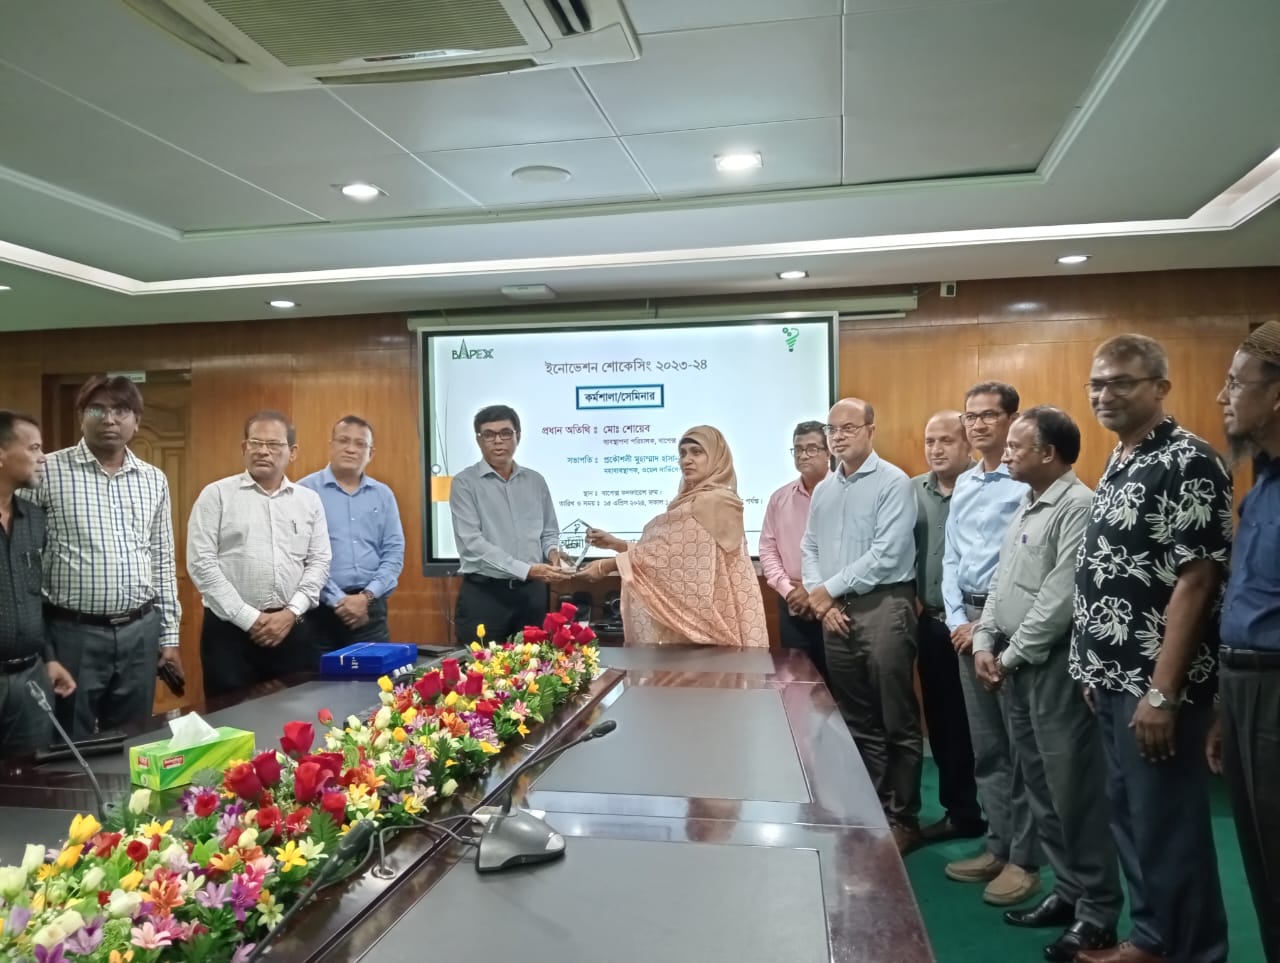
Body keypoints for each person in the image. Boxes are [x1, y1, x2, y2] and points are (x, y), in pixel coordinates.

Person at [1071, 334, 1231, 963]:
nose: (1104, 395)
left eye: (1121, 382)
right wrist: (1095, 667)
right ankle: (1152, 940)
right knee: (1132, 818)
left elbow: (1198, 580)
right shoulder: (1123, 456)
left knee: (1170, 828)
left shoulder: (1188, 460)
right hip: (1113, 678)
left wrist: (1162, 692)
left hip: (1159, 687)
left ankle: (1194, 952)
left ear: (1160, 387)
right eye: (1097, 384)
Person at [973, 407, 1122, 962]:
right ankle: (1069, 891)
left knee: (1073, 792)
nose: (1006, 454)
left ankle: (1098, 912)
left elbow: (1060, 600)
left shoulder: (1078, 506)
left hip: (1052, 666)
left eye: (1017, 446)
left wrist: (1008, 657)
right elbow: (1001, 583)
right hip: (1015, 664)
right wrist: (985, 640)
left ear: (1049, 453)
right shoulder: (1028, 503)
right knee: (1039, 787)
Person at [29, 375, 182, 738]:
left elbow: (162, 559)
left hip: (140, 632)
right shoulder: (47, 471)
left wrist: (169, 636)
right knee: (70, 739)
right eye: (97, 409)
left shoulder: (153, 479)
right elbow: (26, 561)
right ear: (81, 416)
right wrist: (43, 648)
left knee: (135, 737)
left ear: (136, 420)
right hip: (72, 633)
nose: (109, 419)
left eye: (121, 410)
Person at [800, 398, 922, 850]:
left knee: (896, 719)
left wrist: (828, 590)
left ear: (871, 429)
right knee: (855, 719)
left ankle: (903, 817)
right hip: (834, 612)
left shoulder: (894, 483)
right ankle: (867, 811)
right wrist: (823, 599)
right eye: (832, 429)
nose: (838, 436)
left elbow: (887, 554)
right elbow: (809, 548)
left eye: (848, 427)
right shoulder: (825, 490)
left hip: (884, 605)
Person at [941, 381, 1042, 906]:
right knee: (987, 748)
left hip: (1010, 623)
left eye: (989, 415)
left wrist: (983, 625)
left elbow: (1022, 563)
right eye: (971, 415)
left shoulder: (1026, 481)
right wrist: (958, 618)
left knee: (1022, 749)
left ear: (1011, 419)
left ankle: (1026, 859)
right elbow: (951, 558)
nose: (978, 424)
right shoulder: (965, 482)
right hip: (967, 624)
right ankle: (998, 845)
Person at [1208, 319, 1280, 963]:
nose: (1222, 396)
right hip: (1242, 685)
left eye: (1236, 383)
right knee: (1259, 854)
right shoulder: (1261, 485)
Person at [581, 426, 768, 647]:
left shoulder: (712, 501)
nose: (686, 460)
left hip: (713, 616)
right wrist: (618, 544)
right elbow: (680, 554)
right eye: (682, 453)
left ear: (717, 457)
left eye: (697, 452)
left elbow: (669, 558)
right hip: (701, 614)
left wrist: (607, 566)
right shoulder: (695, 500)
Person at [187, 411, 331, 698]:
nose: (263, 451)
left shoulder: (308, 501)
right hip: (229, 634)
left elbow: (319, 561)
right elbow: (201, 564)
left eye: (274, 444)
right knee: (230, 717)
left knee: (294, 715)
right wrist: (249, 618)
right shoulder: (216, 495)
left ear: (292, 452)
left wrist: (291, 613)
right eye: (255, 443)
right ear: (244, 448)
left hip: (292, 628)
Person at [912, 410, 984, 843]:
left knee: (987, 728)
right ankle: (961, 813)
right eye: (930, 441)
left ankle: (1007, 823)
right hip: (933, 624)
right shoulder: (911, 491)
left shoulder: (986, 487)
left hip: (980, 625)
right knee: (942, 723)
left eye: (946, 440)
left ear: (967, 444)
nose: (936, 449)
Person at [450, 404, 566, 645]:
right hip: (485, 595)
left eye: (505, 433)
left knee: (536, 665)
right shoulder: (464, 483)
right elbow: (472, 543)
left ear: (518, 436)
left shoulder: (535, 481)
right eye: (489, 435)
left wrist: (553, 553)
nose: (498, 441)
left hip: (532, 594)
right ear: (479, 440)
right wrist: (527, 569)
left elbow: (549, 531)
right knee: (480, 665)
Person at [0, 412, 74, 757]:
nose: (43, 457)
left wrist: (49, 658)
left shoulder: (34, 519)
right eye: (33, 448)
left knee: (34, 779)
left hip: (31, 679)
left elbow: (34, 598)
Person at [299, 416, 405, 649]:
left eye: (360, 444)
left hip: (371, 611)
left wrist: (366, 597)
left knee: (373, 673)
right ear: (331, 445)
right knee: (318, 673)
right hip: (319, 610)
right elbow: (301, 555)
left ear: (371, 453)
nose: (350, 449)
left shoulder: (383, 495)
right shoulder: (304, 491)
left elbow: (394, 552)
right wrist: (338, 600)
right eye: (343, 441)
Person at [759, 420, 831, 677]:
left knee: (837, 686)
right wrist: (788, 591)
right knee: (798, 684)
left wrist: (813, 590)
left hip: (834, 602)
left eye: (812, 448)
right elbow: (767, 549)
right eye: (798, 449)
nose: (803, 455)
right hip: (792, 605)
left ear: (828, 452)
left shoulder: (844, 494)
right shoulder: (779, 498)